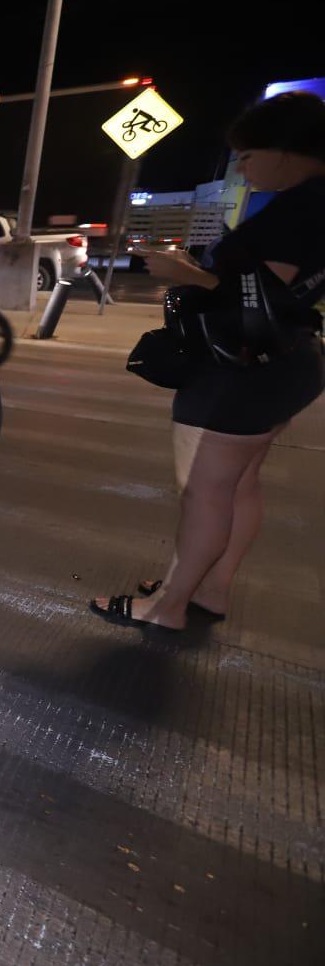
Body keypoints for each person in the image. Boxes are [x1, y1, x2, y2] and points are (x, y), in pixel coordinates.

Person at [91, 91, 325, 631]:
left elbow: (262, 294)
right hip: (288, 361)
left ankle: (168, 605)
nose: (241, 167)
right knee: (240, 484)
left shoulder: (298, 209)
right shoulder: (317, 203)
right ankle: (211, 590)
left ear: (285, 150)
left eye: (247, 155)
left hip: (239, 369)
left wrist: (186, 274)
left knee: (205, 494)